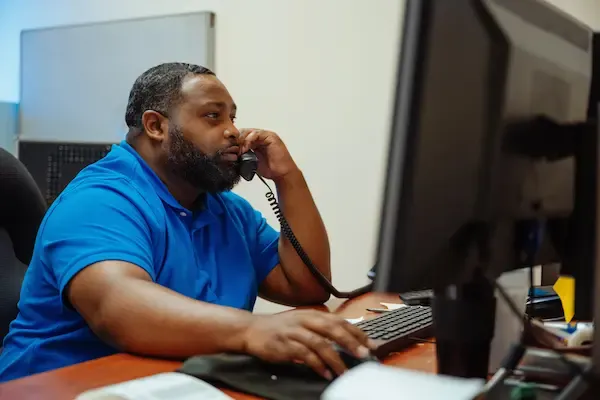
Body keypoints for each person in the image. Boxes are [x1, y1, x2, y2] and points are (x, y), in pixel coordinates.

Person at [0, 63, 373, 382]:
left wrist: (288, 176)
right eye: (213, 116)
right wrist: (252, 330)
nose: (233, 132)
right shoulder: (99, 200)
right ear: (156, 126)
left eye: (233, 117)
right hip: (59, 386)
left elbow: (306, 285)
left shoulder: (225, 210)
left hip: (174, 383)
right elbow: (117, 309)